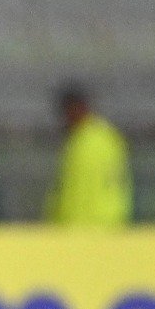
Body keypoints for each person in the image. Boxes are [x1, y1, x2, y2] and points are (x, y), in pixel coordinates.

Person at [45, 85, 133, 227]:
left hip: (81, 227)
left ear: (75, 108)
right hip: (111, 225)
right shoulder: (109, 137)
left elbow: (73, 192)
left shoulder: (80, 142)